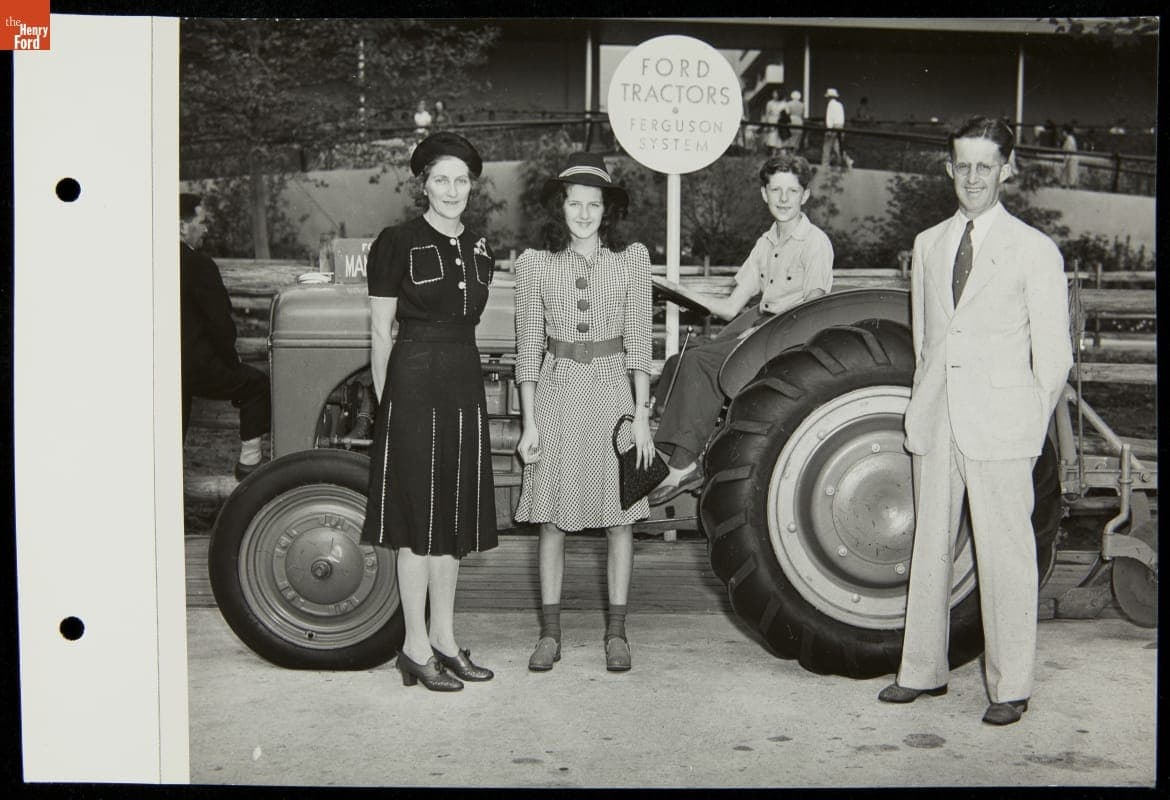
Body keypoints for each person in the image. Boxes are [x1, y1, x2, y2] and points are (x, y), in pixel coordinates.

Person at [878, 116, 1072, 726]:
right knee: (929, 548)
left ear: (1007, 169)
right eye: (962, 164)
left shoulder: (1035, 249)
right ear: (948, 169)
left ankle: (1010, 686)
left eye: (985, 165)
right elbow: (926, 339)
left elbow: (1055, 356)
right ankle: (921, 672)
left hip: (1003, 427)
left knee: (1006, 557)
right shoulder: (929, 244)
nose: (972, 177)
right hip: (938, 421)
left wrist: (1025, 422)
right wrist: (923, 406)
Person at [360, 132, 499, 692]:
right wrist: (386, 403)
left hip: (463, 382)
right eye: (440, 179)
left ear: (472, 186)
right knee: (419, 522)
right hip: (412, 383)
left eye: (461, 180)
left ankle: (444, 638)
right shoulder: (397, 241)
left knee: (454, 520)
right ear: (424, 184)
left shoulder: (481, 246)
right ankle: (414, 646)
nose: (451, 190)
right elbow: (378, 330)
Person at [513, 152, 653, 673]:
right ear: (561, 207)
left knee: (620, 521)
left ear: (606, 210)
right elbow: (528, 345)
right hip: (555, 394)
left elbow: (639, 340)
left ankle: (616, 633)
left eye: (594, 204)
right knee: (552, 521)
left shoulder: (630, 260)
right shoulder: (536, 264)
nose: (584, 213)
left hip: (613, 393)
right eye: (575, 203)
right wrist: (530, 423)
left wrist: (641, 416)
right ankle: (549, 634)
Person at [649, 154, 833, 504]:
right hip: (763, 327)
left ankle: (683, 464)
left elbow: (813, 306)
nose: (783, 198)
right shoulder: (765, 244)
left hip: (791, 336)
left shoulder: (815, 243)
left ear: (804, 196)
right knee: (677, 362)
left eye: (791, 191)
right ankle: (678, 451)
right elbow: (732, 306)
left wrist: (762, 334)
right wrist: (680, 291)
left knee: (699, 364)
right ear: (764, 194)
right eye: (775, 190)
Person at [179, 193, 270, 480]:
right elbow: (219, 323)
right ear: (182, 227)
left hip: (159, 369)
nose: (206, 229)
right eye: (201, 222)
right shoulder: (199, 264)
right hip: (194, 366)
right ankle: (250, 465)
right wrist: (232, 358)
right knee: (256, 384)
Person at [821, 88, 846, 168]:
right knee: (837, 146)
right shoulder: (840, 104)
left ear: (829, 97)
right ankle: (842, 162)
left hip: (833, 126)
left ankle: (825, 164)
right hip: (840, 126)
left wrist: (829, 129)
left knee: (827, 146)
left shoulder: (830, 105)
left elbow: (829, 118)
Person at [763, 88, 787, 154]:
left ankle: (780, 156)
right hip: (772, 121)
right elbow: (767, 114)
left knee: (780, 140)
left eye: (775, 93)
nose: (774, 95)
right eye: (773, 93)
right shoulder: (770, 103)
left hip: (780, 121)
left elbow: (786, 114)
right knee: (772, 138)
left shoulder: (784, 103)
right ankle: (772, 154)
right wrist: (766, 124)